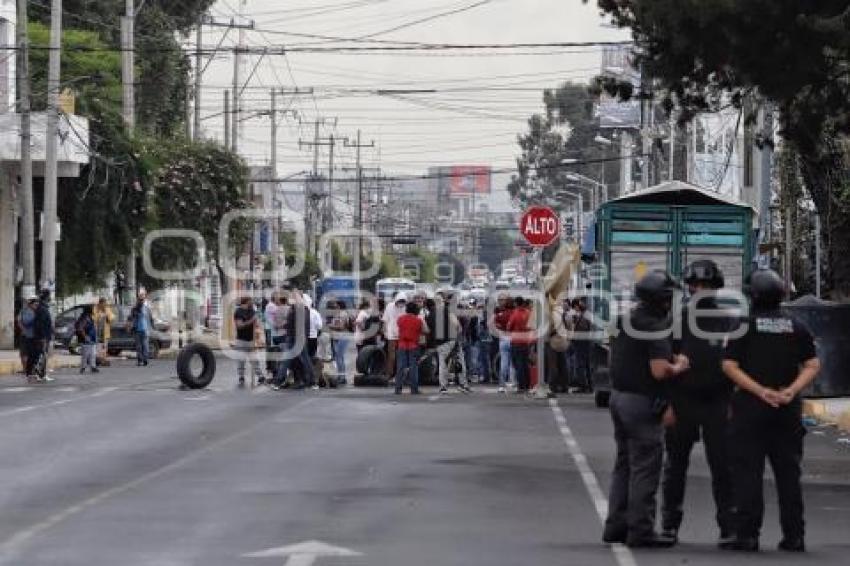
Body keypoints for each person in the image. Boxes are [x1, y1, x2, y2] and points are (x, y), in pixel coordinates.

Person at [721, 269, 820, 553]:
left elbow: (729, 366)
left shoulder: (743, 326)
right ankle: (795, 536)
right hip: (787, 409)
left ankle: (748, 535)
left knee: (748, 473)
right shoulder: (796, 326)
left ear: (752, 295)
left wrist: (759, 391)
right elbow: (813, 364)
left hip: (751, 408)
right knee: (788, 474)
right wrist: (790, 390)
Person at [602, 270, 690, 548]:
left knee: (624, 464)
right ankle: (640, 530)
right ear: (662, 299)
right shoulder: (656, 326)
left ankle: (615, 526)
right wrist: (680, 365)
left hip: (618, 398)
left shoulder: (621, 320)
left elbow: (611, 343)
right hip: (641, 402)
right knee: (645, 467)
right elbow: (659, 371)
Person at [660, 260, 736, 546]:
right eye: (696, 285)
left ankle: (728, 527)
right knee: (675, 467)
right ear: (689, 287)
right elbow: (664, 362)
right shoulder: (677, 320)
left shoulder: (729, 320)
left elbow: (737, 363)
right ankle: (669, 525)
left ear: (716, 288)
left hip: (718, 400)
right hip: (682, 401)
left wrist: (733, 402)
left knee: (723, 468)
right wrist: (666, 405)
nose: (701, 290)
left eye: (707, 285)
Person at [272, 290, 316, 391]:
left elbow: (300, 324)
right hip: (294, 337)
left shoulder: (300, 309)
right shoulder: (297, 308)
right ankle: (311, 382)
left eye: (294, 296)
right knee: (297, 360)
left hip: (296, 338)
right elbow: (292, 323)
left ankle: (279, 381)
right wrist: (284, 325)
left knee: (298, 360)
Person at [435, 293, 470, 394]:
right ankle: (462, 384)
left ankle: (443, 386)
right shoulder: (449, 311)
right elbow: (458, 326)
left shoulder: (436, 311)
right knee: (460, 362)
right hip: (452, 341)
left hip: (441, 342)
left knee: (443, 364)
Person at [395, 302, 427, 394]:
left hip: (402, 345)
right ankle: (414, 389)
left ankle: (398, 389)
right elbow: (426, 330)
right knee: (414, 368)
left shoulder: (400, 319)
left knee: (400, 367)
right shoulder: (418, 320)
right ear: (416, 310)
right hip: (413, 346)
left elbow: (399, 327)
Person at [233, 296, 263, 386]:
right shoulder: (238, 312)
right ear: (246, 302)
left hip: (251, 340)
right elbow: (240, 326)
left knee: (255, 360)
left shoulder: (252, 311)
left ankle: (260, 376)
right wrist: (252, 320)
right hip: (241, 339)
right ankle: (241, 377)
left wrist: (257, 324)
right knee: (241, 361)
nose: (252, 303)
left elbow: (256, 324)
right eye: (251, 301)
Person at [507, 297, 533, 393]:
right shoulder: (528, 313)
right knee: (525, 364)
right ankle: (527, 384)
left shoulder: (515, 313)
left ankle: (521, 386)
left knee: (518, 365)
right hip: (526, 342)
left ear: (516, 304)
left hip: (516, 342)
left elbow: (509, 327)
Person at [27, 290, 55, 382]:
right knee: (40, 356)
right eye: (49, 296)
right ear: (47, 298)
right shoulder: (42, 309)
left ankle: (41, 374)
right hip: (42, 337)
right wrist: (43, 337)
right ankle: (38, 375)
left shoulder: (42, 308)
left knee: (42, 356)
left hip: (43, 336)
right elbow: (41, 324)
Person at [383, 293, 407, 381]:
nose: (401, 304)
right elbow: (385, 319)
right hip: (391, 335)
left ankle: (400, 375)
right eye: (399, 301)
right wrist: (385, 331)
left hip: (402, 335)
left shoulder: (405, 308)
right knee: (391, 356)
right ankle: (389, 374)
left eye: (403, 302)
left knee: (401, 356)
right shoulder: (389, 306)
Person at [327, 301, 351, 385]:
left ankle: (342, 377)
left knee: (339, 357)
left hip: (342, 336)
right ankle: (341, 376)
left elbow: (341, 327)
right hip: (337, 337)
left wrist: (329, 326)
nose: (334, 306)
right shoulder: (338, 314)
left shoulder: (342, 314)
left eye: (336, 305)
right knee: (339, 358)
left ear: (339, 306)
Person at [494, 295, 514, 393]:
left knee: (504, 362)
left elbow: (495, 325)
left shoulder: (500, 315)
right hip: (514, 338)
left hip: (503, 338)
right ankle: (513, 383)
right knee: (513, 363)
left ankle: (502, 385)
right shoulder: (515, 313)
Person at [128, 295, 153, 366]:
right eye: (139, 300)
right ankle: (140, 360)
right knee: (138, 346)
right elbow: (130, 318)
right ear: (137, 300)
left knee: (145, 346)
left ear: (144, 300)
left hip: (145, 330)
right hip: (137, 330)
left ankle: (145, 360)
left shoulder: (147, 309)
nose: (141, 301)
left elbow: (151, 319)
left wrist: (151, 328)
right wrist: (130, 326)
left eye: (142, 300)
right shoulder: (134, 309)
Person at [16, 295, 38, 374]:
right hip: (29, 335)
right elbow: (19, 321)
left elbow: (21, 321)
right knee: (26, 353)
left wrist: (23, 328)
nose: (36, 304)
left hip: (27, 335)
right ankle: (27, 369)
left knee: (25, 353)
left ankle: (26, 369)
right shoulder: (31, 311)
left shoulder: (25, 311)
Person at [75, 305, 99, 374]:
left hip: (91, 338)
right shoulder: (84, 318)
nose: (94, 310)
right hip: (86, 339)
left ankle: (93, 366)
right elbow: (80, 328)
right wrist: (85, 337)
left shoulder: (89, 317)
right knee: (85, 354)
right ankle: (83, 367)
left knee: (93, 354)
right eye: (93, 309)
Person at [93, 298, 114, 365]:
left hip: (105, 332)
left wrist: (106, 313)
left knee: (104, 347)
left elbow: (112, 317)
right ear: (99, 303)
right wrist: (99, 314)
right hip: (97, 332)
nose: (104, 305)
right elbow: (93, 318)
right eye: (102, 304)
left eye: (105, 304)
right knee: (97, 347)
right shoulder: (95, 308)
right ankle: (97, 360)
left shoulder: (107, 309)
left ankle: (103, 360)